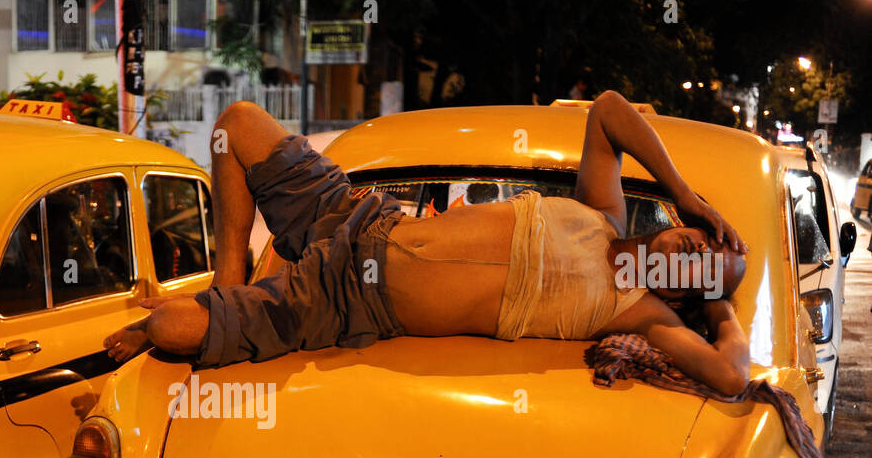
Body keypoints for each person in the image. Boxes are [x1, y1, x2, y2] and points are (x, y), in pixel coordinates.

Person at [103, 90, 751, 396]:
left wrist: (720, 299)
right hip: (360, 216)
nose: (691, 254)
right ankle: (228, 282)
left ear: (686, 295)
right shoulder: (600, 210)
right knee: (235, 124)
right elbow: (610, 109)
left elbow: (728, 372)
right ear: (678, 221)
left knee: (167, 326)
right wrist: (688, 192)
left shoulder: (639, 312)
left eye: (697, 269)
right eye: (697, 241)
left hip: (347, 300)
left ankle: (217, 306)